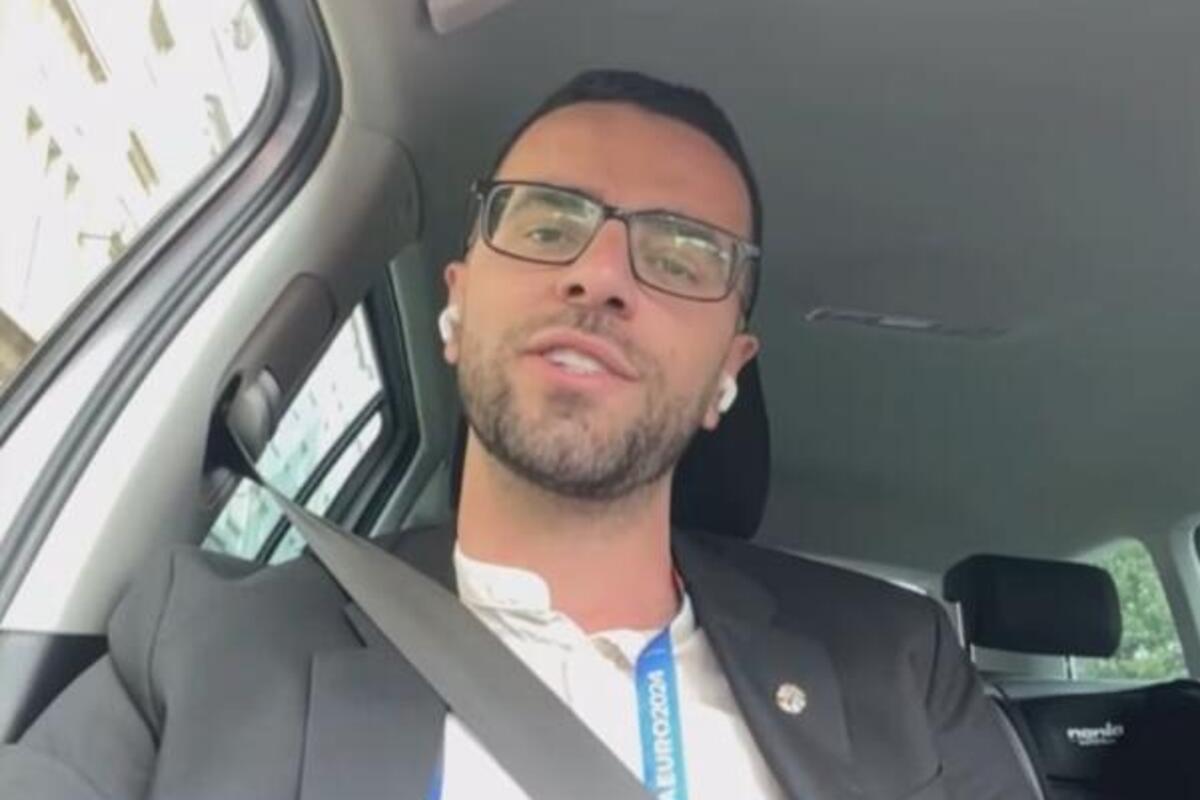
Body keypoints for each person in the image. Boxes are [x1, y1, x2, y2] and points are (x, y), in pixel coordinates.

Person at [0, 70, 1035, 799]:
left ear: (730, 371)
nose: (601, 275)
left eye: (680, 256)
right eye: (546, 226)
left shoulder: (900, 670)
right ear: (457, 306)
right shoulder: (208, 648)